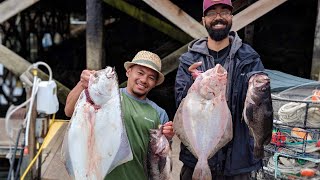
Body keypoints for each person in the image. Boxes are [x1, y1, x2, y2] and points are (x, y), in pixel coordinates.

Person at [175, 0, 269, 179]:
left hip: (238, 163)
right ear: (203, 20)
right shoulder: (188, 60)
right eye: (212, 13)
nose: (218, 17)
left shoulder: (249, 58)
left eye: (224, 12)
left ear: (231, 17)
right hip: (195, 160)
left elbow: (259, 105)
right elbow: (180, 103)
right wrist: (194, 87)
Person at [65, 50, 174, 180]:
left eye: (151, 78)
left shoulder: (159, 113)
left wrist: (167, 137)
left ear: (155, 83)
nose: (144, 80)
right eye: (140, 73)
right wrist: (82, 84)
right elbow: (69, 111)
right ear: (128, 72)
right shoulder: (109, 97)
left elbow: (159, 159)